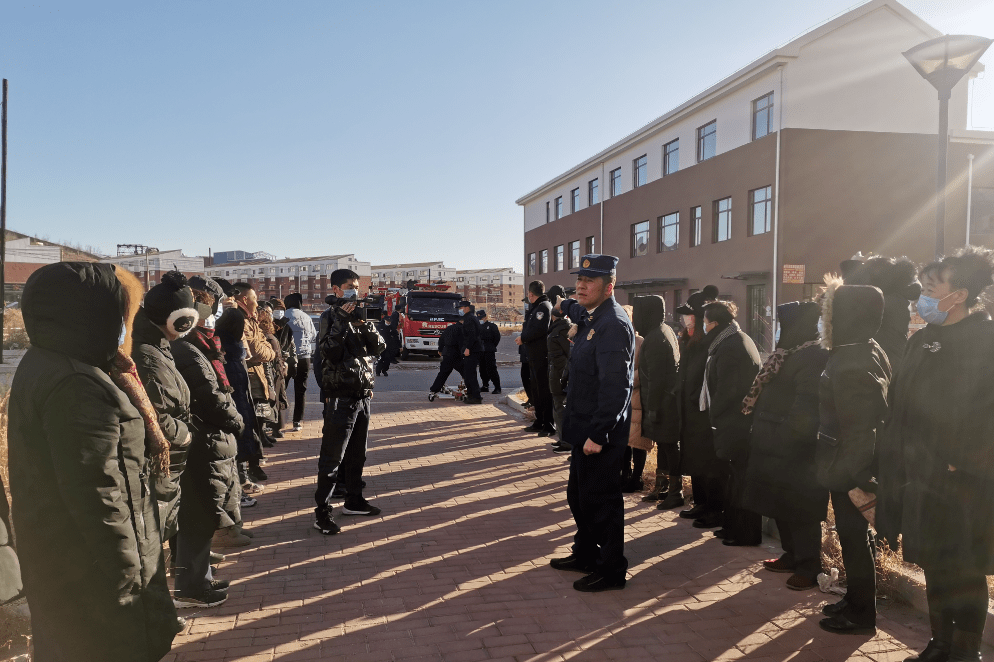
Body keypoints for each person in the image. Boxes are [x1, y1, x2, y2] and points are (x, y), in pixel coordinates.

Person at [9, 262, 180, 661]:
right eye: (121, 315)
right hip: (96, 581)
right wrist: (130, 586)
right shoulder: (79, 384)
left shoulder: (49, 362)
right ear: (92, 314)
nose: (125, 328)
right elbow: (101, 495)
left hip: (64, 565)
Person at [877, 247, 994, 661]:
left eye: (932, 288)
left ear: (959, 294)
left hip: (965, 482)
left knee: (965, 569)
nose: (921, 297)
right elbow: (902, 405)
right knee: (933, 563)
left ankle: (966, 651)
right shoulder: (922, 340)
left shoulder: (985, 340)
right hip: (920, 476)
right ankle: (940, 642)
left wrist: (960, 458)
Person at [549, 255, 634, 593]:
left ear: (609, 286)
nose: (581, 286)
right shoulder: (589, 315)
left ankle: (612, 569)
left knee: (602, 503)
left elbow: (617, 386)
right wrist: (565, 307)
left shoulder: (612, 324)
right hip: (583, 426)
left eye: (589, 281)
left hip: (601, 433)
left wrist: (599, 433)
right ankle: (585, 553)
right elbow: (570, 306)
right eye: (579, 280)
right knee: (579, 496)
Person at [815, 278, 891, 636]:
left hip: (849, 469)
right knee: (855, 540)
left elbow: (860, 427)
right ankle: (857, 600)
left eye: (830, 314)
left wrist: (855, 476)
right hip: (845, 464)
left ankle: (862, 615)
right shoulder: (862, 348)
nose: (824, 322)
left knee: (855, 540)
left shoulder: (852, 360)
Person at [740, 301, 829, 591]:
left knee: (800, 509)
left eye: (784, 325)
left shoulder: (814, 355)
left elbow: (806, 408)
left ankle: (809, 565)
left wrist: (785, 438)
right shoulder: (786, 353)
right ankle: (791, 555)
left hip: (795, 450)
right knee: (780, 505)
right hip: (772, 445)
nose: (780, 331)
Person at [171, 291, 248, 607]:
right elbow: (212, 396)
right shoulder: (188, 351)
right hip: (204, 440)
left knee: (198, 512)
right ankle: (192, 585)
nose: (212, 319)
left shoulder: (197, 346)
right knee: (198, 512)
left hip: (208, 439)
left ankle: (196, 575)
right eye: (208, 313)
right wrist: (236, 420)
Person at [312, 269, 387, 535]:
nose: (354, 290)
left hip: (362, 394)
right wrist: (342, 320)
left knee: (358, 454)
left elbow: (379, 348)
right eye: (349, 286)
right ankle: (322, 512)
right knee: (333, 457)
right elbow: (329, 352)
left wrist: (364, 324)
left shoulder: (362, 316)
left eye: (357, 286)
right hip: (340, 396)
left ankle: (354, 501)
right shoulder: (329, 317)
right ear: (336, 290)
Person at [700, 300, 763, 546]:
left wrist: (714, 415)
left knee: (741, 479)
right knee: (733, 478)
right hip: (733, 421)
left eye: (705, 323)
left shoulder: (732, 346)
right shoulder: (728, 340)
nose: (704, 328)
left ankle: (744, 533)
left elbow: (728, 391)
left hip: (736, 423)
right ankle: (732, 527)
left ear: (714, 324)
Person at [673, 287, 724, 525]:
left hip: (702, 413)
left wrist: (693, 399)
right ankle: (700, 503)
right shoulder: (688, 340)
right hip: (688, 411)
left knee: (707, 463)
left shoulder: (707, 344)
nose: (684, 320)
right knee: (694, 459)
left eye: (689, 315)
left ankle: (713, 507)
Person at [630, 295, 681, 507]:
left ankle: (674, 492)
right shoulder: (661, 332)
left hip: (663, 404)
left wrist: (653, 409)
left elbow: (657, 379)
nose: (635, 320)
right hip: (664, 402)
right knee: (664, 446)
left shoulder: (656, 338)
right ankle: (662, 488)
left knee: (670, 448)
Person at [214, 307, 265, 499]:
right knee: (237, 445)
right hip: (234, 403)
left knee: (241, 443)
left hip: (240, 400)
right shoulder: (225, 349)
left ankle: (242, 481)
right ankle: (238, 490)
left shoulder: (232, 347)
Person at [841, 255, 921, 374]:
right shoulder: (895, 299)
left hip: (887, 368)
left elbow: (853, 296)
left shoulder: (887, 302)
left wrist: (854, 267)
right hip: (888, 364)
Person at [620, 304, 653, 493]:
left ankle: (637, 477)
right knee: (623, 441)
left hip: (636, 398)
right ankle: (624, 473)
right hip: (621, 399)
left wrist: (625, 380)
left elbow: (645, 370)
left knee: (638, 442)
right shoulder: (615, 339)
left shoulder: (641, 341)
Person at [518, 281, 554, 435]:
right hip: (533, 356)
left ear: (530, 294)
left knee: (544, 391)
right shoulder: (536, 307)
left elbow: (539, 330)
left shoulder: (543, 307)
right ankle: (539, 421)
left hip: (541, 356)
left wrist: (523, 338)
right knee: (536, 390)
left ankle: (548, 425)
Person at [284, 292, 317, 432]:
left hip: (286, 358)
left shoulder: (283, 316)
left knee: (280, 389)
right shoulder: (306, 317)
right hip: (304, 358)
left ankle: (276, 421)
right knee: (301, 390)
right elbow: (313, 336)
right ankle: (297, 422)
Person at [547, 303, 572, 454]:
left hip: (560, 375)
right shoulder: (560, 328)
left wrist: (564, 376)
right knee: (558, 407)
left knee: (560, 407)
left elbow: (567, 354)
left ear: (553, 316)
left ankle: (567, 441)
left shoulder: (561, 330)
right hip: (558, 373)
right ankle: (563, 439)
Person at [429, 321, 465, 398]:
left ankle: (434, 390)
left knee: (443, 373)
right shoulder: (462, 329)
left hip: (447, 353)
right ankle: (470, 390)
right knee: (465, 372)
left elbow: (441, 339)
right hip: (456, 354)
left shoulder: (449, 328)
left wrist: (440, 350)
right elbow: (462, 343)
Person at [458, 300, 484, 405]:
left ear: (466, 308)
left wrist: (468, 348)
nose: (460, 310)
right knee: (470, 373)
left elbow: (472, 335)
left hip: (472, 350)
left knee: (470, 374)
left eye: (461, 308)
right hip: (475, 349)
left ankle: (475, 396)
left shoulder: (469, 319)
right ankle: (471, 395)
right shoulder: (472, 318)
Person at [476, 309, 502, 394]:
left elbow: (497, 338)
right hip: (480, 351)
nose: (481, 320)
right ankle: (485, 386)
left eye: (482, 318)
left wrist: (491, 346)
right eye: (479, 318)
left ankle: (497, 387)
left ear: (486, 317)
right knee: (482, 369)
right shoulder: (477, 327)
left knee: (491, 369)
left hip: (489, 350)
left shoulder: (492, 326)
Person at [376, 306, 400, 376]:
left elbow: (396, 337)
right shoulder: (380, 326)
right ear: (385, 320)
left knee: (387, 360)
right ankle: (378, 372)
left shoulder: (392, 328)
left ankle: (384, 370)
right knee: (380, 359)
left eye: (389, 322)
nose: (388, 323)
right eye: (387, 321)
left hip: (389, 346)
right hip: (381, 346)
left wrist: (399, 346)